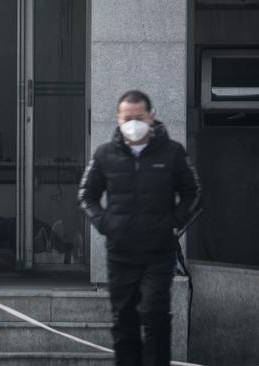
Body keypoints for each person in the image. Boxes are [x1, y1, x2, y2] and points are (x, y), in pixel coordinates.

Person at [78, 90, 201, 365]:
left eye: (139, 117)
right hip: (120, 254)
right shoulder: (105, 154)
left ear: (151, 116)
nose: (134, 123)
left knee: (155, 315)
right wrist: (106, 223)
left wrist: (174, 222)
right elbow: (86, 195)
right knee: (123, 322)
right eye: (128, 117)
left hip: (159, 253)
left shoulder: (172, 152)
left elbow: (193, 193)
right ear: (118, 119)